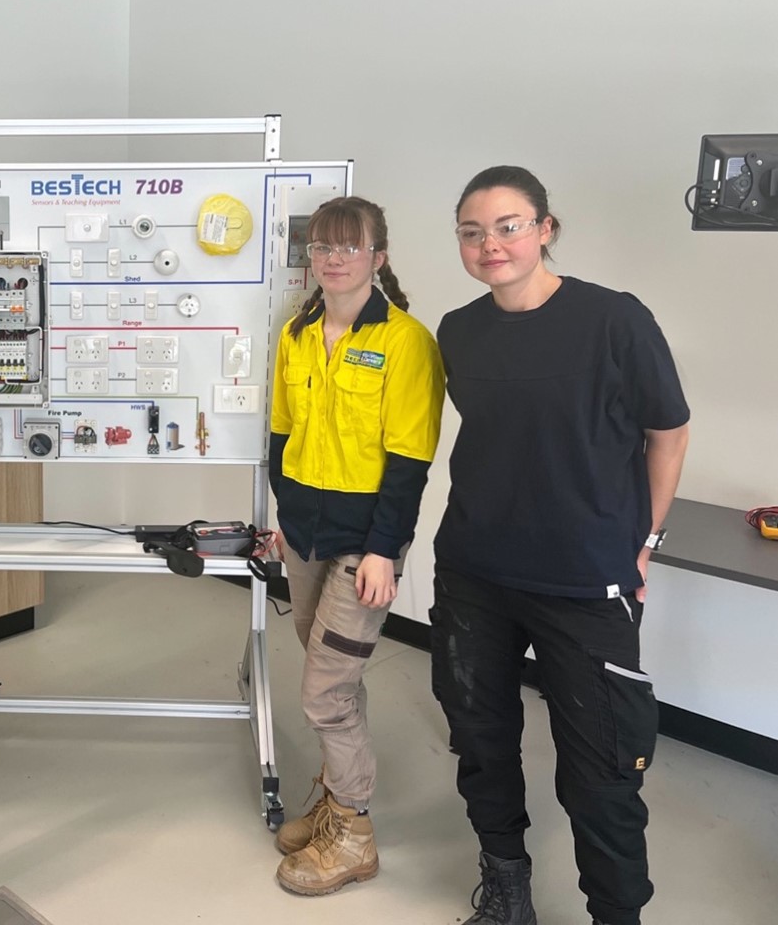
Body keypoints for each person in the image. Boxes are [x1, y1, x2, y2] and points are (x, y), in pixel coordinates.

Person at [431, 166, 689, 925]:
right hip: (475, 571)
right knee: (479, 738)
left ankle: (615, 913)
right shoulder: (458, 329)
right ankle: (506, 886)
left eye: (508, 225)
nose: (490, 244)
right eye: (471, 232)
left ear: (545, 229)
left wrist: (644, 539)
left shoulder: (613, 320)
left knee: (602, 771)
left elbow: (666, 432)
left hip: (583, 579)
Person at [268, 196, 445, 896]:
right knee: (330, 680)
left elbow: (409, 460)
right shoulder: (298, 331)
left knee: (324, 692)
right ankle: (336, 797)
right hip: (304, 537)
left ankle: (354, 834)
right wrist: (280, 517)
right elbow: (281, 437)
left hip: (363, 544)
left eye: (348, 246)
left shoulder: (405, 341)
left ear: (378, 257)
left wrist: (384, 549)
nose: (332, 258)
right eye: (320, 247)